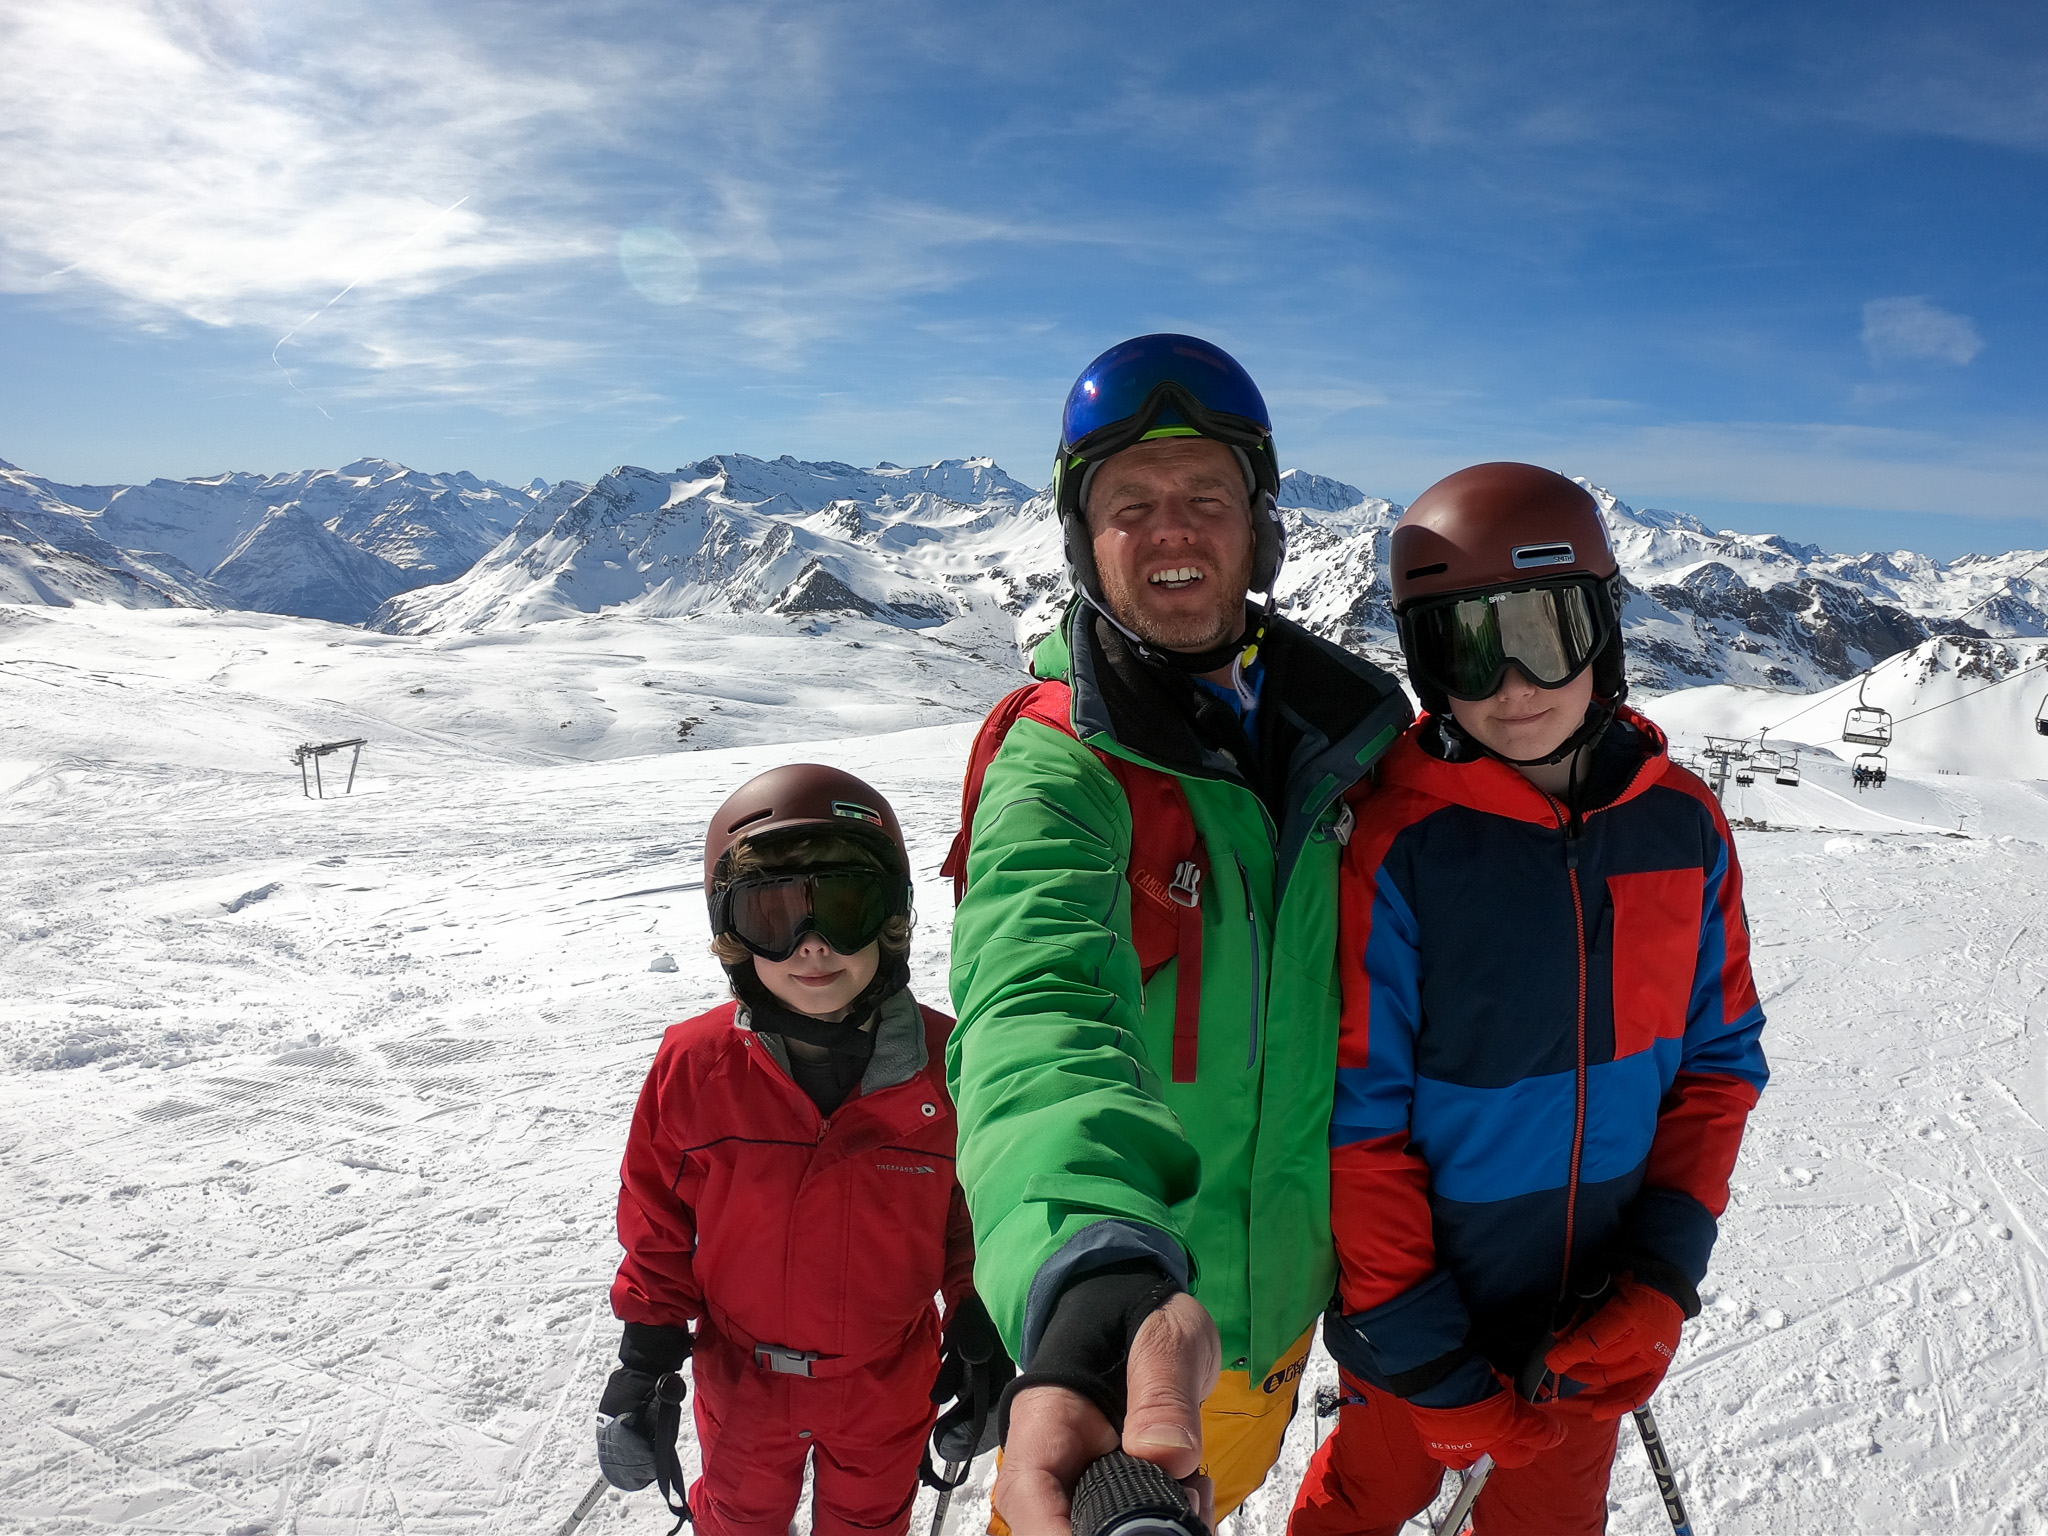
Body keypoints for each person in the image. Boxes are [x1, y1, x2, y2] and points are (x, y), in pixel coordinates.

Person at [946, 334, 1414, 1532]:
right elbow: (1036, 1010)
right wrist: (1093, 1268)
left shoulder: (1353, 743)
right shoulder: (1060, 767)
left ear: (1259, 527)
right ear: (1081, 539)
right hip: (1136, 1329)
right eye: (1130, 502)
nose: (1171, 529)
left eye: (1206, 495)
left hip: (1280, 1324)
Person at [1291, 463, 1770, 1536]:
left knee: (1550, 1519)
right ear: (1423, 665)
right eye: (1465, 647)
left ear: (1602, 631)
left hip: (1588, 1321)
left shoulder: (1680, 828)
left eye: (1546, 634)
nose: (1512, 684)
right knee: (1365, 1499)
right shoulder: (1397, 846)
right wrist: (1421, 1349)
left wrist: (1660, 1273)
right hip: (1420, 1321)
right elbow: (1356, 1125)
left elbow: (1717, 1064)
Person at [597, 764, 1014, 1536]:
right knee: (738, 1519)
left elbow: (977, 1220)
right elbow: (658, 1222)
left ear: (890, 920)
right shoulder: (696, 1066)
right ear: (734, 935)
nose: (813, 946)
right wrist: (645, 1353)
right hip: (743, 1379)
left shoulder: (948, 1064)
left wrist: (980, 1320)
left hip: (887, 1377)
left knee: (869, 1524)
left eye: (845, 909)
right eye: (774, 914)